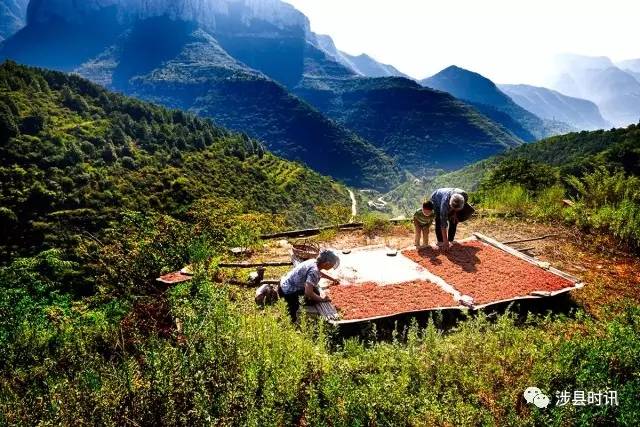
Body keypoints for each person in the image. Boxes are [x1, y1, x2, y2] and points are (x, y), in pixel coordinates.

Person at [278, 249, 340, 321]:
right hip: (287, 292)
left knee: (316, 292)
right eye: (331, 265)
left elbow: (319, 273)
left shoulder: (313, 261)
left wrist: (332, 279)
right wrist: (322, 300)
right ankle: (291, 321)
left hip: (283, 284)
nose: (332, 267)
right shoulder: (314, 271)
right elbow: (308, 293)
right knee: (311, 299)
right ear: (326, 263)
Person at [430, 188, 469, 252]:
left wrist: (455, 213)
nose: (454, 210)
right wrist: (445, 241)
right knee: (439, 220)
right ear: (450, 204)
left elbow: (458, 206)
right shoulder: (444, 204)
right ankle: (440, 241)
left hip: (453, 201)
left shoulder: (464, 196)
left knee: (454, 220)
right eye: (453, 208)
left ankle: (451, 240)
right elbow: (443, 224)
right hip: (436, 199)